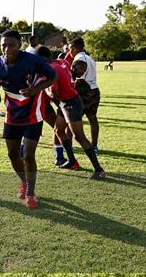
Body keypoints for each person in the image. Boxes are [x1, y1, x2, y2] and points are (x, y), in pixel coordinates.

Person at [0, 30, 56, 209]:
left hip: (33, 113)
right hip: (12, 114)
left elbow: (52, 76)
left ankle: (31, 194)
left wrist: (36, 89)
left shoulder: (33, 60)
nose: (6, 48)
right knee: (12, 155)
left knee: (28, 155)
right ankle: (24, 182)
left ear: (20, 44)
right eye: (4, 45)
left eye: (11, 45)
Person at [36, 46, 106, 180]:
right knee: (58, 130)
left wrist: (46, 91)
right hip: (69, 101)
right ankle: (72, 160)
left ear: (44, 59)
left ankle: (99, 170)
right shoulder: (62, 62)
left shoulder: (51, 70)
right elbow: (69, 74)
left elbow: (54, 94)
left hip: (70, 103)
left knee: (79, 136)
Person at [69, 38, 101, 151]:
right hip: (94, 90)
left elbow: (79, 80)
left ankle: (68, 146)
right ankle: (94, 145)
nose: (69, 52)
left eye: (70, 49)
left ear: (74, 48)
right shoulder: (90, 58)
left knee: (71, 119)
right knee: (93, 119)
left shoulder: (79, 59)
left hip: (83, 92)